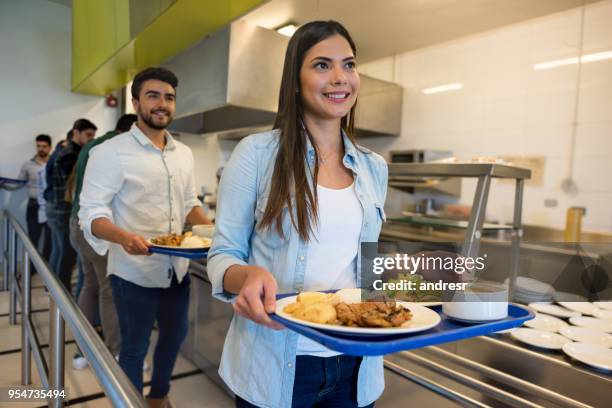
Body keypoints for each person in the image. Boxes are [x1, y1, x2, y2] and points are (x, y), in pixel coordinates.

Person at [207, 21, 388, 408]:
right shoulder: (256, 155)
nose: (340, 78)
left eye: (349, 65)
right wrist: (247, 277)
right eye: (322, 65)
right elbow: (222, 255)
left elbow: (367, 265)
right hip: (277, 363)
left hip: (357, 362)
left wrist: (407, 291)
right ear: (295, 79)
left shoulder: (375, 167)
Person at [78, 67, 212, 408]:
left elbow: (189, 204)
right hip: (132, 273)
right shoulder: (110, 152)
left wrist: (215, 231)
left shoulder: (183, 153)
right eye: (153, 95)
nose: (162, 104)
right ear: (136, 101)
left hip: (176, 270)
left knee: (174, 337)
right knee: (134, 348)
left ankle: (159, 396)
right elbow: (91, 214)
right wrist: (123, 237)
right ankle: (131, 402)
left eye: (169, 97)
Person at [69, 113, 137, 370]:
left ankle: (81, 351)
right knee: (109, 290)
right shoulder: (112, 148)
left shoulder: (92, 145)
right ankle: (115, 352)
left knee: (90, 285)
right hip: (93, 228)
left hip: (77, 224)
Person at [46, 120, 96, 291]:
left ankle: (51, 288)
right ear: (76, 132)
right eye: (88, 135)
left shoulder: (62, 149)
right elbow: (73, 186)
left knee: (58, 250)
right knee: (66, 255)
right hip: (63, 209)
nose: (91, 139)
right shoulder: (72, 154)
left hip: (54, 205)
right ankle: (62, 295)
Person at [2, 134, 53, 266]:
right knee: (33, 239)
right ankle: (32, 269)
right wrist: (3, 183)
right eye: (38, 146)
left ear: (50, 147)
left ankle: (49, 270)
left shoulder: (54, 162)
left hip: (50, 207)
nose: (41, 149)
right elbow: (18, 184)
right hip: (34, 206)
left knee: (50, 240)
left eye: (44, 146)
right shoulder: (27, 165)